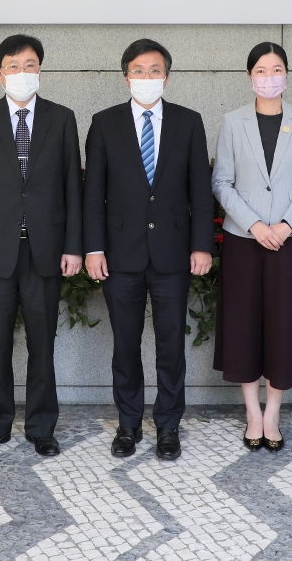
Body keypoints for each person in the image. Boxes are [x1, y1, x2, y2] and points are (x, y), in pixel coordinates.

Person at [83, 39, 214, 460]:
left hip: (173, 253)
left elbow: (201, 190)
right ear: (126, 77)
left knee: (171, 344)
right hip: (120, 254)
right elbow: (93, 194)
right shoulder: (104, 123)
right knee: (125, 344)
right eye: (138, 71)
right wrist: (93, 249)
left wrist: (201, 245)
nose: (146, 77)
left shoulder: (188, 122)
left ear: (167, 77)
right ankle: (128, 424)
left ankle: (169, 425)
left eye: (155, 70)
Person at [0, 35, 83, 458]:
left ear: (40, 70)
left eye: (29, 65)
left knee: (43, 344)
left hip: (45, 249)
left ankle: (42, 428)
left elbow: (73, 187)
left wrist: (73, 246)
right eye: (13, 66)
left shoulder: (62, 118)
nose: (22, 73)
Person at [211, 42, 292, 452]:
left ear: (287, 75)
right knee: (243, 324)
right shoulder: (232, 121)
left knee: (284, 324)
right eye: (260, 70)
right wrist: (256, 225)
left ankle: (272, 412)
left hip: (289, 241)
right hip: (245, 239)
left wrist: (286, 225)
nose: (269, 77)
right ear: (249, 76)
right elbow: (222, 181)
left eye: (276, 69)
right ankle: (252, 412)